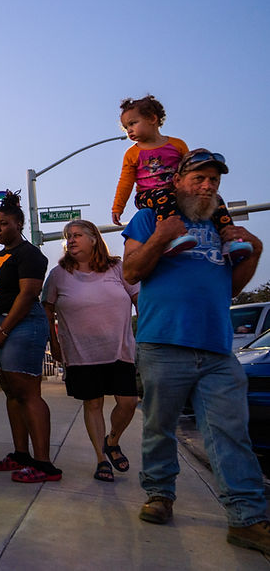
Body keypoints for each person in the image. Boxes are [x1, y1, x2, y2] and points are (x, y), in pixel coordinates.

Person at [122, 149, 270, 553]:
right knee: (158, 427)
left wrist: (253, 252)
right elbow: (131, 271)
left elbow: (233, 287)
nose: (207, 187)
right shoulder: (151, 218)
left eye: (214, 182)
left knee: (231, 433)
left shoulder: (221, 227)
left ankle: (247, 520)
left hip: (218, 347)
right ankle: (160, 494)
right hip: (163, 341)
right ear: (178, 181)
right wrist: (160, 237)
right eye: (199, 179)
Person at [0, 191, 59, 483]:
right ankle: (22, 455)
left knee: (28, 393)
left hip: (20, 325)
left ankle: (44, 464)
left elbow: (29, 293)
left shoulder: (29, 254)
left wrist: (4, 330)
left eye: (4, 224)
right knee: (12, 393)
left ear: (19, 224)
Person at [42, 220, 139, 483]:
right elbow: (47, 309)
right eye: (67, 237)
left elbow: (139, 300)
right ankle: (100, 458)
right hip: (82, 351)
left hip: (119, 348)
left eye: (76, 235)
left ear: (94, 238)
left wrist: (146, 333)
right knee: (93, 403)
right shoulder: (59, 274)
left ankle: (113, 440)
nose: (70, 240)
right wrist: (54, 343)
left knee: (128, 402)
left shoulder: (117, 268)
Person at [111, 95, 250, 261]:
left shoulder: (177, 145)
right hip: (147, 196)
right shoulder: (132, 154)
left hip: (177, 193)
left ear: (152, 119)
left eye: (133, 123)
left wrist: (196, 188)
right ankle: (172, 238)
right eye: (126, 127)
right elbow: (125, 181)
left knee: (216, 200)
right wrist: (118, 207)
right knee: (164, 196)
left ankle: (230, 240)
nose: (129, 130)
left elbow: (189, 170)